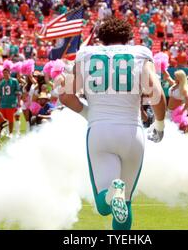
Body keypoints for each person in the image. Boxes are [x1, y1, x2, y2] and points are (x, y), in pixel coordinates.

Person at [59, 17, 166, 230]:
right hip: (132, 131)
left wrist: (89, 113)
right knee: (125, 203)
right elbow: (157, 94)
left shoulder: (86, 54)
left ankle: (111, 194)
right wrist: (160, 124)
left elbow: (66, 96)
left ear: (101, 38)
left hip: (100, 131)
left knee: (104, 205)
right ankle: (117, 196)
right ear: (128, 38)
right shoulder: (140, 53)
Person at [0, 67, 21, 136]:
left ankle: (10, 133)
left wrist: (18, 102)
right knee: (1, 119)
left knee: (10, 119)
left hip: (11, 103)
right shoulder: (2, 82)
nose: (5, 74)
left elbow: (18, 92)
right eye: (4, 73)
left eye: (6, 73)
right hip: (3, 103)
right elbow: (0, 94)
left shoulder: (14, 81)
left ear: (9, 73)